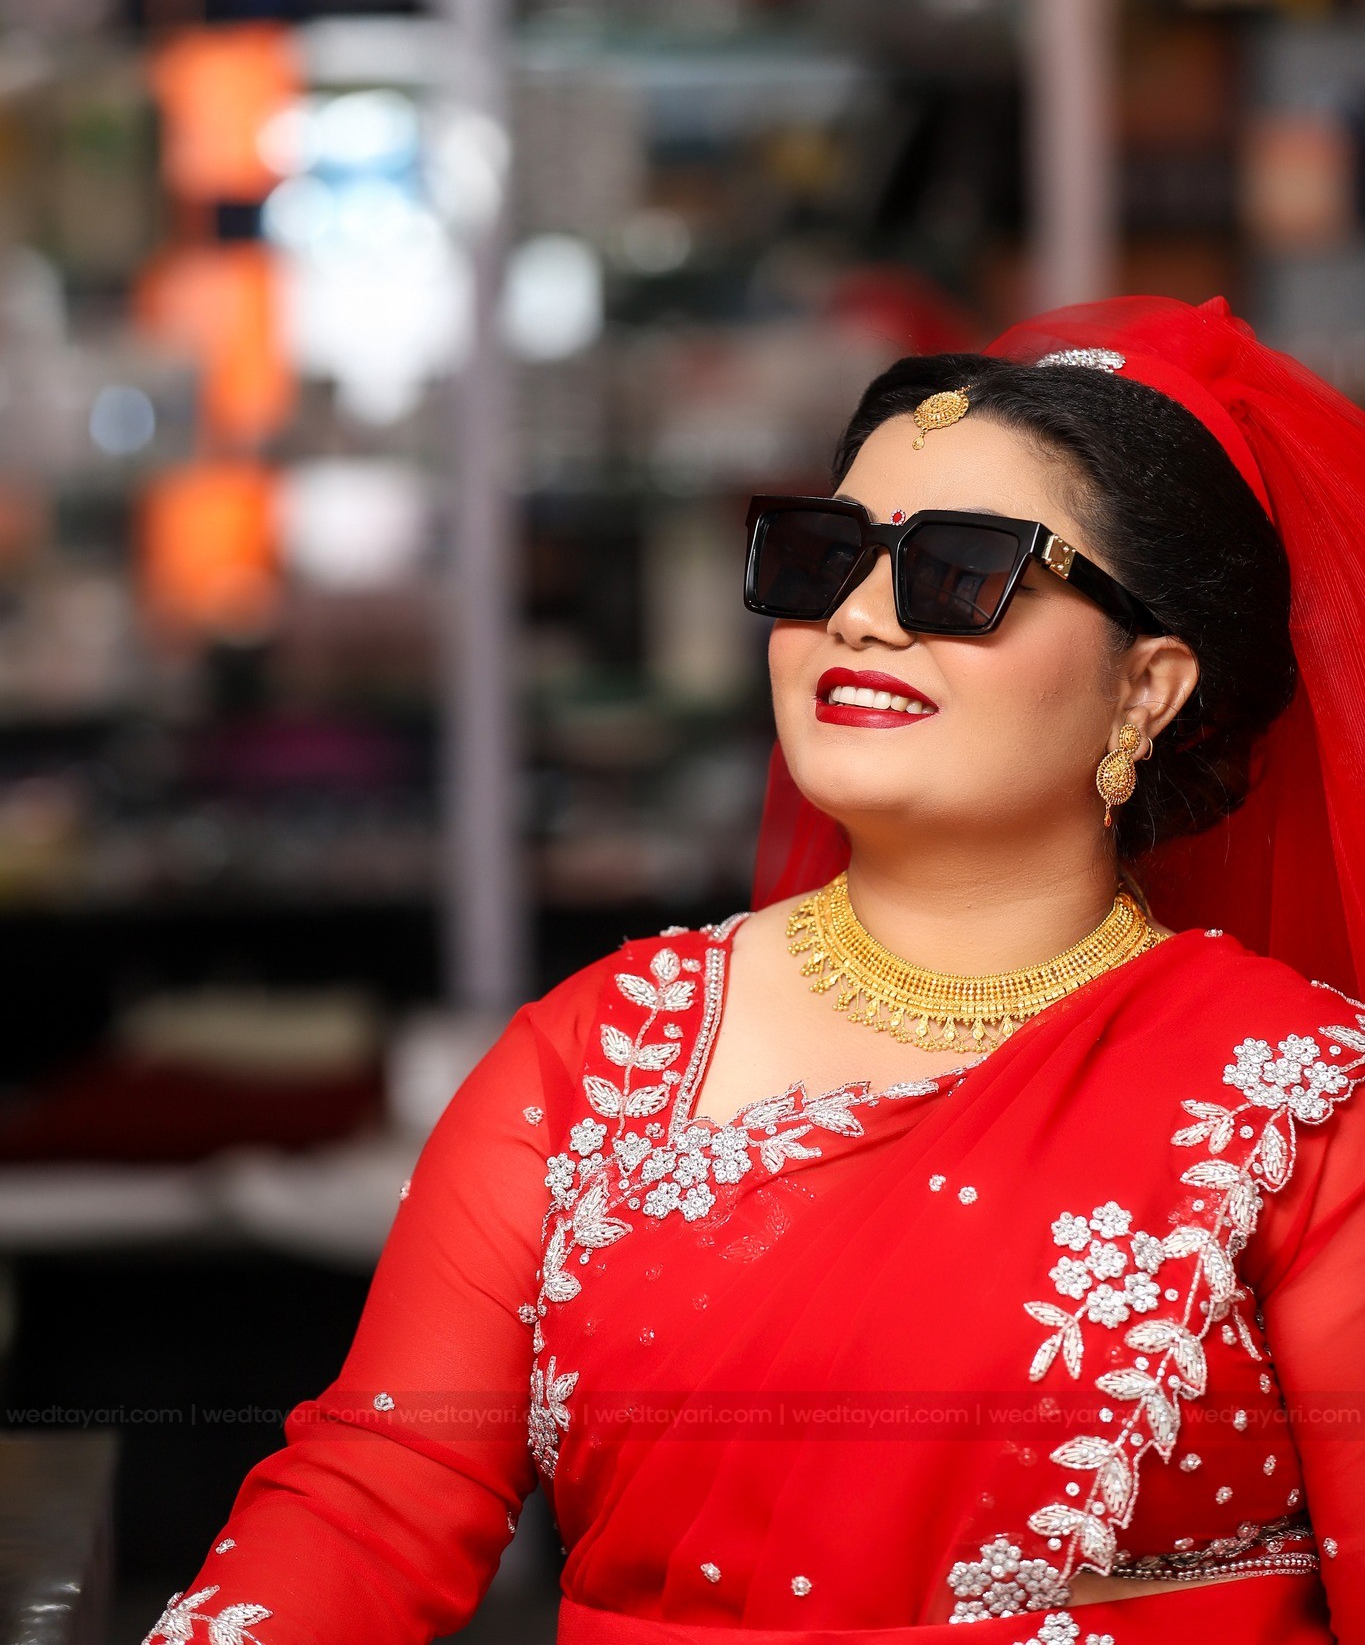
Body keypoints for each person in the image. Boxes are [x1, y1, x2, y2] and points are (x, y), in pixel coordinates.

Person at [144, 296, 1365, 1645]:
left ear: (1147, 688)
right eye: (821, 557)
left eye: (961, 571)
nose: (857, 619)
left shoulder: (1297, 1105)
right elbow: (380, 1492)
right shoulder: (605, 1056)